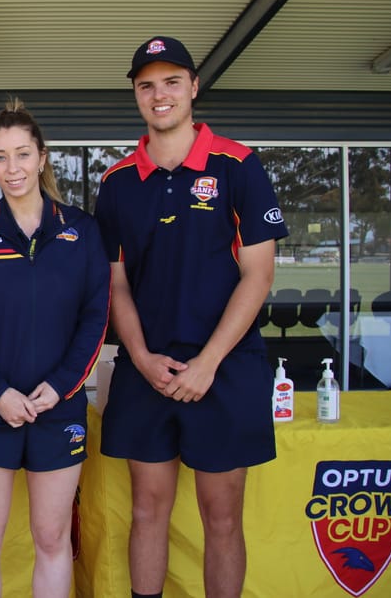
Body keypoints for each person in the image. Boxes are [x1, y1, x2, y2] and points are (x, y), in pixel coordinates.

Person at [94, 36, 288, 598]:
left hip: (225, 369)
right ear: (136, 95)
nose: (160, 95)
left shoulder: (238, 165)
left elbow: (259, 275)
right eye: (147, 85)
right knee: (147, 510)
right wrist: (140, 357)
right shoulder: (117, 182)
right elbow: (115, 282)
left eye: (172, 81)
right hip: (147, 369)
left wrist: (208, 363)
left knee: (221, 516)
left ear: (194, 87)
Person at [0, 98, 110, 597]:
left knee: (52, 539)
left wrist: (59, 387)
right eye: (0, 157)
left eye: (21, 154)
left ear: (41, 158)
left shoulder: (82, 230)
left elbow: (95, 317)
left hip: (58, 409)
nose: (12, 167)